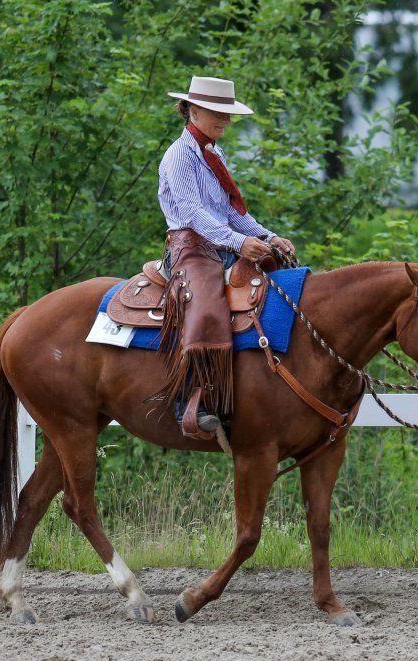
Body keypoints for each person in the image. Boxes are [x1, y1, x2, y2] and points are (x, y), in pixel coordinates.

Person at [158, 76, 295, 439]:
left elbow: (232, 210)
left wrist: (267, 236)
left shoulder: (213, 153)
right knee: (205, 304)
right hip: (190, 246)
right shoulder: (179, 155)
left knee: (273, 283)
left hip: (219, 243)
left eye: (228, 113)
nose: (226, 121)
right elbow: (191, 213)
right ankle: (189, 400)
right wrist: (238, 244)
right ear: (195, 110)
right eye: (219, 112)